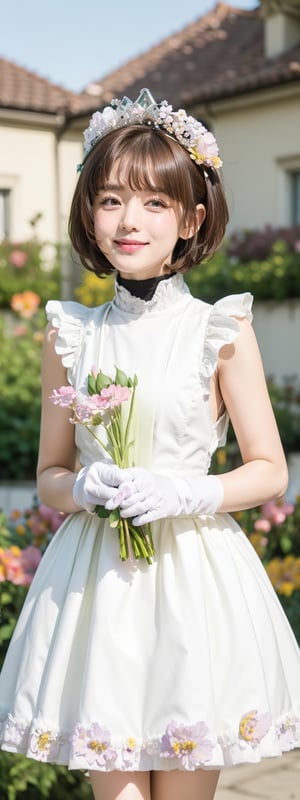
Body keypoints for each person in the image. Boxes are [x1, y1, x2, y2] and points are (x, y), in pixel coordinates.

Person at [0, 88, 299, 800]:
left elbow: (270, 470)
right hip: (101, 588)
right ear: (88, 214)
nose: (129, 220)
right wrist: (81, 490)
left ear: (191, 217)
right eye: (110, 201)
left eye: (153, 204)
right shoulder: (68, 333)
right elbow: (49, 472)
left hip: (194, 580)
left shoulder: (219, 332)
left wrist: (186, 489)